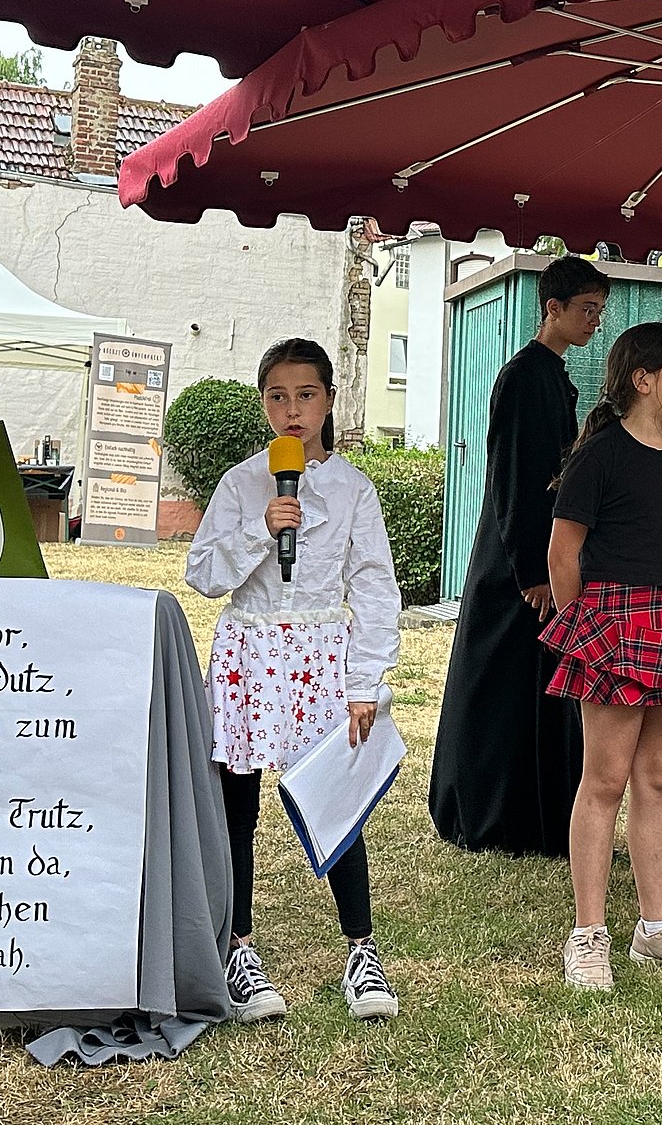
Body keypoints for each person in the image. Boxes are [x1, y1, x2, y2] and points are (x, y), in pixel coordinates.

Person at [187, 338, 403, 1023]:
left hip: (320, 656)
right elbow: (203, 574)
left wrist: (365, 680)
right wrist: (261, 529)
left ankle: (362, 950)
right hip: (249, 651)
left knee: (335, 798)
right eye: (277, 396)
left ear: (329, 400)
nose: (292, 410)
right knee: (237, 807)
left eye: (306, 395)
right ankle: (238, 949)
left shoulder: (352, 488)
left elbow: (374, 584)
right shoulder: (241, 482)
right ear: (263, 404)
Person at [544, 322, 662, 990]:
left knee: (657, 777)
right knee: (604, 780)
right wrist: (586, 630)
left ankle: (657, 928)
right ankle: (588, 933)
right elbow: (562, 554)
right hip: (614, 623)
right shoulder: (598, 455)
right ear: (643, 379)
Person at [430, 256, 611, 857]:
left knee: (532, 690)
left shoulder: (551, 374)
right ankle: (488, 816)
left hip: (536, 552)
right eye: (586, 309)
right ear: (552, 308)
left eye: (599, 310)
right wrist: (533, 570)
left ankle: (534, 816)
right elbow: (515, 479)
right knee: (498, 689)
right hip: (516, 561)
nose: (594, 321)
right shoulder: (524, 376)